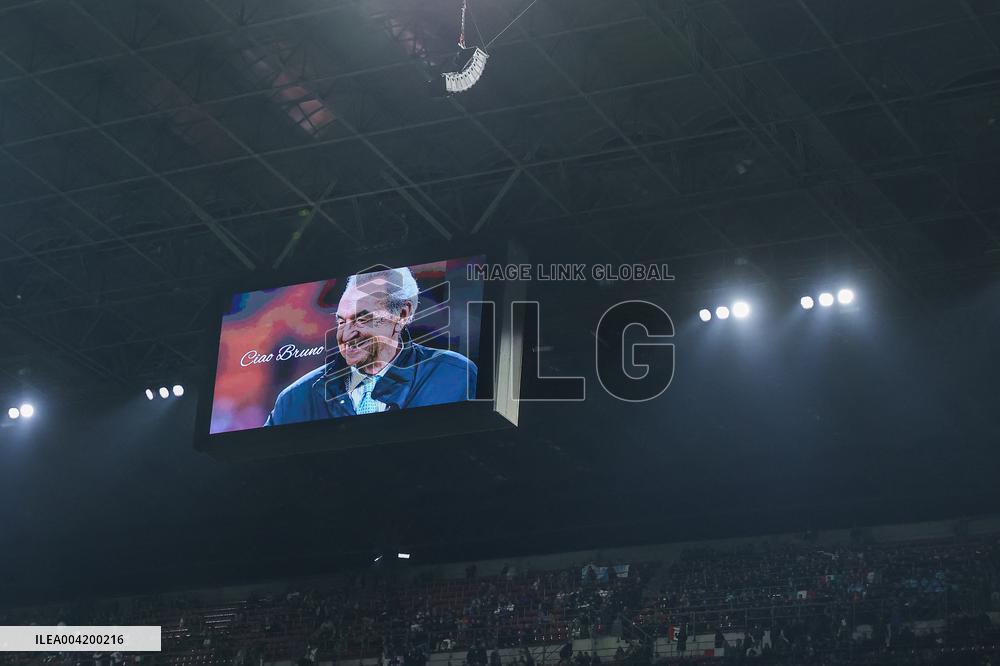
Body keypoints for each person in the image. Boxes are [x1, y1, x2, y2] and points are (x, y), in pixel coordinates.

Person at [265, 266, 478, 425]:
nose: (346, 334)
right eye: (341, 321)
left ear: (402, 314)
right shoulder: (295, 399)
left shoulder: (454, 375)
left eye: (362, 319)